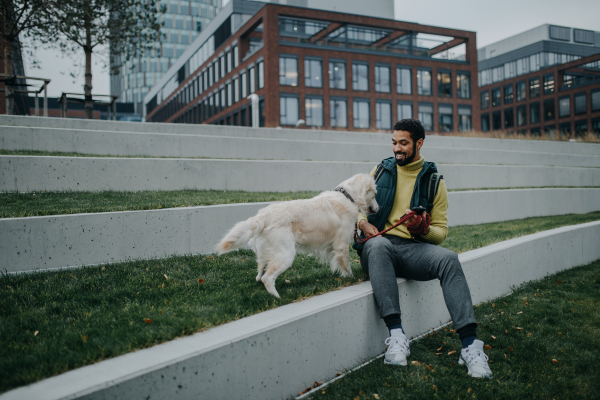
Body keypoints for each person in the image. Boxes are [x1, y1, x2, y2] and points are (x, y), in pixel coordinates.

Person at [353, 118, 492, 379]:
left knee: (449, 259)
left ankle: (469, 346)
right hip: (376, 247)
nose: (397, 148)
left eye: (403, 143)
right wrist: (362, 223)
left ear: (419, 143)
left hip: (411, 249)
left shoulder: (434, 181)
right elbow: (354, 207)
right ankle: (396, 336)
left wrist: (422, 229)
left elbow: (441, 232)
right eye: (394, 142)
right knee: (380, 244)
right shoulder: (380, 171)